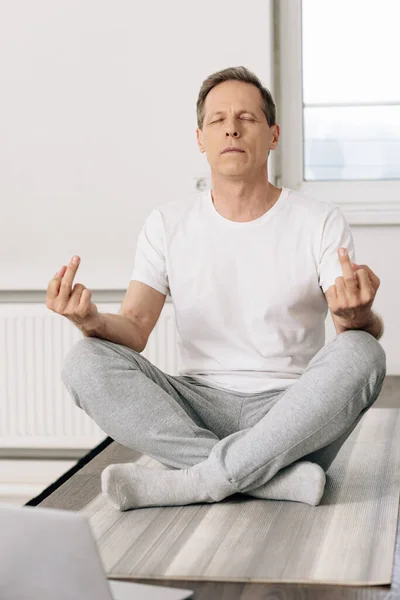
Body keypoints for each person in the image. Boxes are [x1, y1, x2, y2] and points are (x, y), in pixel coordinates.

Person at [46, 66, 386, 512]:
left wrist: (358, 316)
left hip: (290, 414)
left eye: (246, 118)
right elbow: (133, 327)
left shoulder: (319, 220)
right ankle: (267, 478)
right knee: (84, 361)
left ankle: (193, 480)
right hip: (195, 409)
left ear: (273, 134)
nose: (231, 127)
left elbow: (351, 328)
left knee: (365, 351)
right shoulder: (167, 223)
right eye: (217, 119)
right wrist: (89, 321)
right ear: (200, 139)